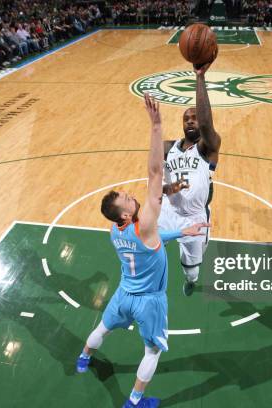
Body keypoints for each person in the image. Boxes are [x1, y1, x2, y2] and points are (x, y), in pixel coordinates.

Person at [75, 94, 208, 408]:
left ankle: (83, 359)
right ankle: (134, 401)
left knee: (103, 328)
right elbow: (155, 175)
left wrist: (181, 231)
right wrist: (156, 125)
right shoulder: (145, 225)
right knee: (153, 351)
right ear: (125, 214)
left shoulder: (116, 231)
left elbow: (156, 240)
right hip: (149, 302)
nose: (132, 196)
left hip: (124, 293)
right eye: (127, 199)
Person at [158, 61, 221, 296]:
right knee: (150, 247)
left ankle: (191, 280)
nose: (191, 120)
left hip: (194, 217)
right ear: (182, 124)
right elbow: (154, 181)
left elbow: (206, 124)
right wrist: (168, 189)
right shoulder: (167, 147)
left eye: (194, 117)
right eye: (187, 118)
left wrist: (200, 78)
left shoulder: (207, 147)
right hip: (167, 212)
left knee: (191, 270)